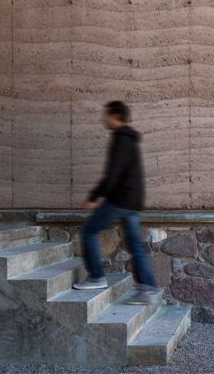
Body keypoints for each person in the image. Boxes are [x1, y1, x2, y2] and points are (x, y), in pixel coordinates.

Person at [72, 101, 161, 305]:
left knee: (88, 230)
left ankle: (96, 276)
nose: (103, 119)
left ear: (115, 116)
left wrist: (93, 197)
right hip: (133, 201)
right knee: (135, 246)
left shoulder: (120, 140)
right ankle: (147, 289)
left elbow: (112, 175)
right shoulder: (130, 140)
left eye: (106, 115)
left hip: (120, 200)